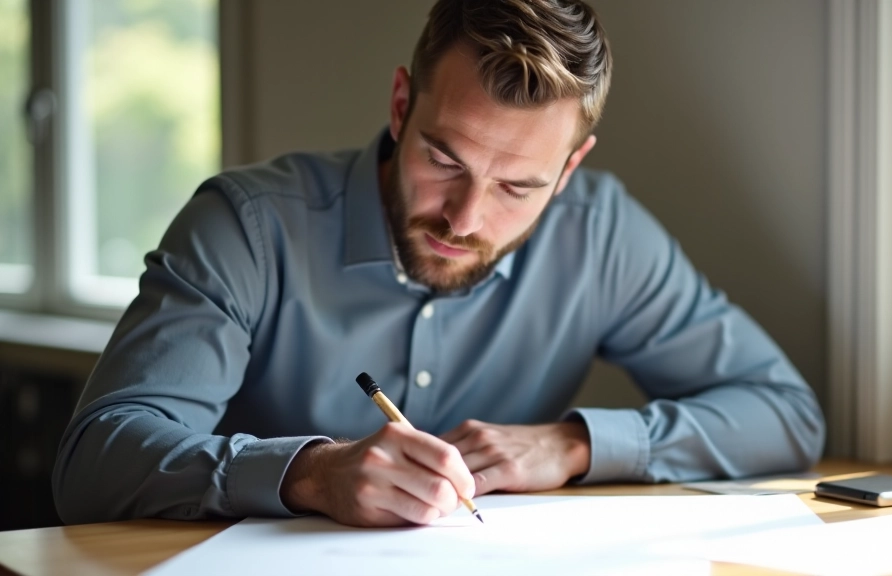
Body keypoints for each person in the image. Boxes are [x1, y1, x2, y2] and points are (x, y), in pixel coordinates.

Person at [53, 0, 825, 528]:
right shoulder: (246, 227)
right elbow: (95, 461)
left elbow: (785, 414)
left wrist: (571, 445)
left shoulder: (602, 235)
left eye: (518, 187)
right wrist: (310, 474)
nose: (466, 218)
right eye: (445, 160)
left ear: (568, 170)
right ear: (400, 106)